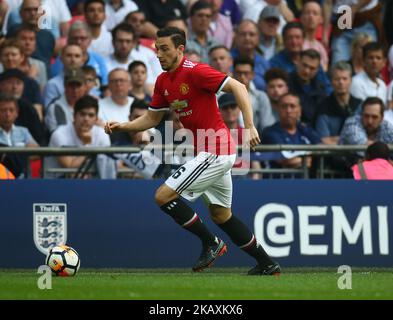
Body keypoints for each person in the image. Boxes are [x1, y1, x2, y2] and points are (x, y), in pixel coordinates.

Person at [105, 26, 280, 275]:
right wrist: (124, 125)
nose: (159, 54)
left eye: (165, 49)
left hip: (217, 150)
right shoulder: (163, 81)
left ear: (180, 49)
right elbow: (152, 119)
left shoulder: (196, 72)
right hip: (208, 153)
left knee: (163, 196)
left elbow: (239, 87)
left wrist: (249, 126)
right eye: (157, 49)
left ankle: (211, 243)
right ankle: (267, 263)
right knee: (222, 215)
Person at [45, 95, 115, 179]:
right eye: (82, 114)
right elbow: (69, 166)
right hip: (57, 183)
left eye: (91, 115)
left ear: (96, 119)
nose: (86, 119)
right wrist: (87, 146)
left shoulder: (101, 135)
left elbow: (106, 168)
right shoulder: (59, 134)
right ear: (74, 116)